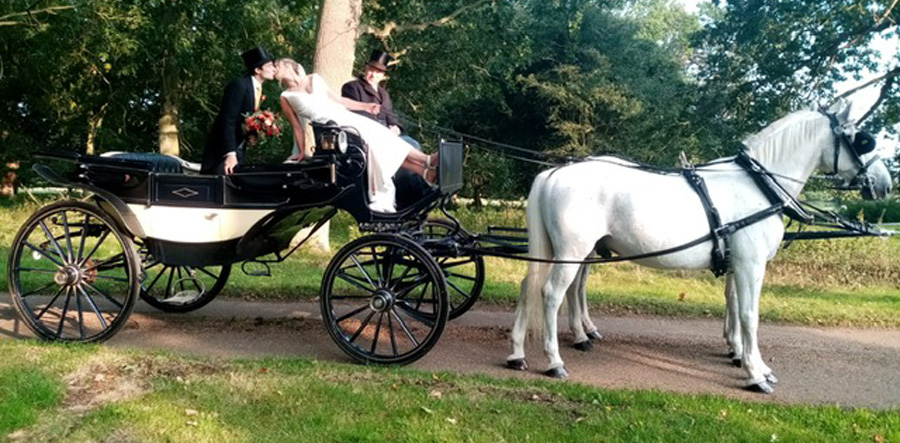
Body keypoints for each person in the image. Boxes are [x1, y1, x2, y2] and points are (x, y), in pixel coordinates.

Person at [274, 58, 436, 213]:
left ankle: (424, 168)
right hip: (332, 130)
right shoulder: (286, 96)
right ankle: (425, 162)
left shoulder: (314, 78)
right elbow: (297, 126)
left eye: (277, 66)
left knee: (381, 135)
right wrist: (301, 151)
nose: (275, 70)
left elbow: (339, 100)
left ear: (289, 67)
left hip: (345, 117)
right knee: (374, 138)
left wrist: (365, 106)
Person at [341, 49, 430, 208]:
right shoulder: (352, 88)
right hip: (368, 137)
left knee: (412, 142)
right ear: (365, 68)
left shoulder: (383, 94)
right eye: (371, 70)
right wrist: (384, 131)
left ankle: (419, 187)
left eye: (377, 72)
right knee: (410, 146)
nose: (373, 74)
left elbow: (391, 117)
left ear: (383, 75)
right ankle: (408, 197)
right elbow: (357, 117)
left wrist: (395, 127)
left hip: (387, 136)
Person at [201, 46, 276, 175]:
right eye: (269, 66)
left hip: (240, 148)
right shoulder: (239, 85)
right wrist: (230, 153)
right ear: (257, 70)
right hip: (223, 152)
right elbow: (227, 120)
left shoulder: (257, 88)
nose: (274, 69)